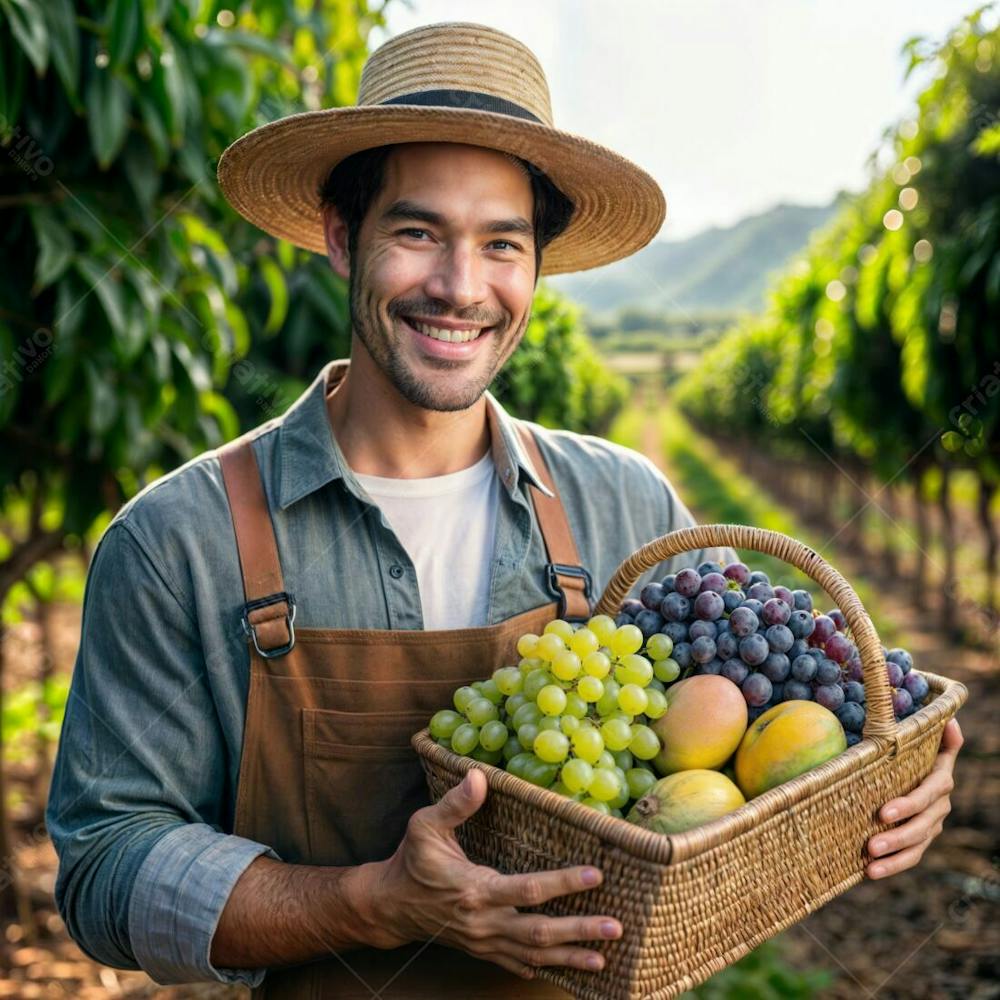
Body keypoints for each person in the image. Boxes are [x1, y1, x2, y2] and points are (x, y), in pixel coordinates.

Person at [47, 20, 962, 1000]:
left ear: (537, 267)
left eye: (501, 244)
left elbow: (761, 734)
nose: (460, 286)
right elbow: (106, 869)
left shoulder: (623, 503)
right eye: (415, 232)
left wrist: (884, 782)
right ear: (339, 233)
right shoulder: (179, 541)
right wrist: (372, 902)